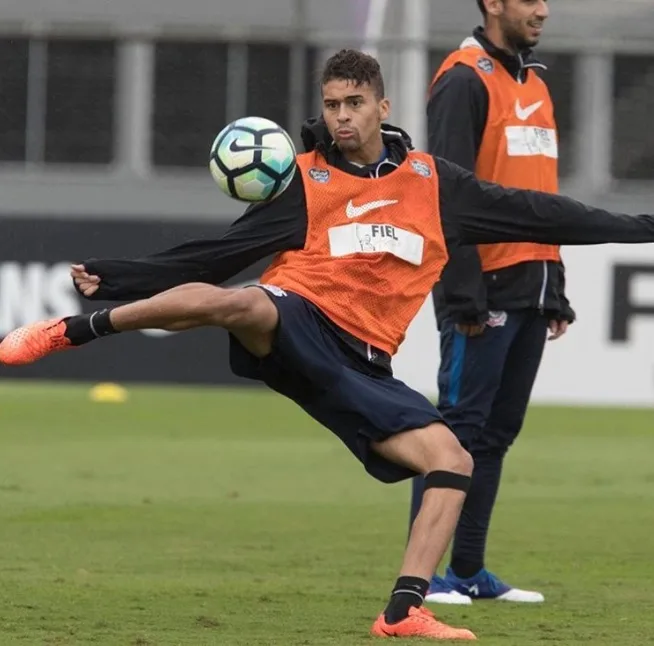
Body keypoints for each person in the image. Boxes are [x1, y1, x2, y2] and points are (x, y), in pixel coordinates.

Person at [2, 48, 654, 641]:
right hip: (300, 318)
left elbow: (545, 214)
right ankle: (65, 334)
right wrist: (118, 278)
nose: (341, 117)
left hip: (363, 366)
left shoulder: (435, 184)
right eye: (331, 106)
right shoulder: (307, 180)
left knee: (453, 461)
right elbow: (220, 252)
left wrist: (641, 227)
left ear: (382, 107)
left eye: (354, 104)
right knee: (240, 300)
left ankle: (403, 611)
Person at [410, 0, 566, 605]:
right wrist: (463, 293)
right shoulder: (462, 80)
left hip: (532, 283)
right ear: (493, 3)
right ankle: (422, 581)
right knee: (455, 433)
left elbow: (541, 191)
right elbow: (444, 193)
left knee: (496, 435)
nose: (544, 10)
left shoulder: (536, 80)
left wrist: (556, 284)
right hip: (484, 287)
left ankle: (468, 571)